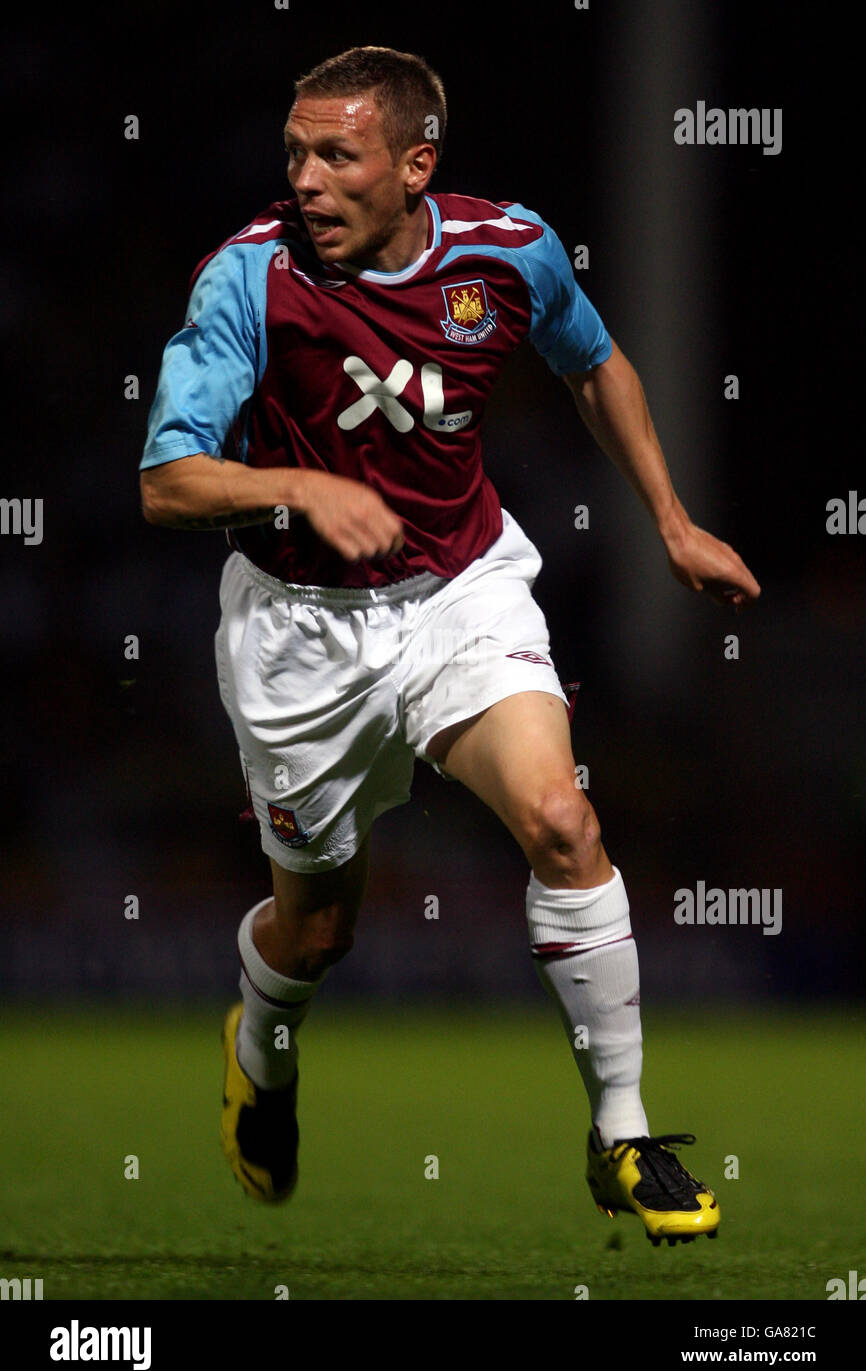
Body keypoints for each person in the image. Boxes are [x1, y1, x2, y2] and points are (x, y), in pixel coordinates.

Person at [139, 45, 759, 1246]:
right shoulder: (247, 281)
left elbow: (594, 361)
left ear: (414, 164)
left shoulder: (507, 252)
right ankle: (261, 1044)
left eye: (336, 155)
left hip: (457, 590)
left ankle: (622, 1134)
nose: (304, 181)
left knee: (562, 821)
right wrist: (298, 490)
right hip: (297, 635)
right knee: (318, 931)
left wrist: (671, 523)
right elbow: (168, 482)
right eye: (294, 153)